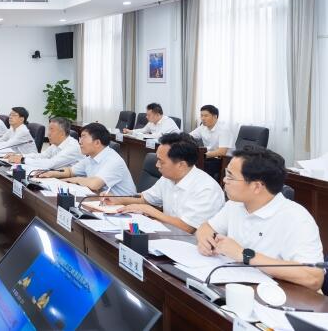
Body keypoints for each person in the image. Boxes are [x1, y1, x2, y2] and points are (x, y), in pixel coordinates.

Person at [195, 147, 324, 291]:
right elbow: (206, 227)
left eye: (230, 176)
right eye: (226, 174)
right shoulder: (235, 204)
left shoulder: (297, 218)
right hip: (235, 285)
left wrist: (244, 255)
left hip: (277, 296)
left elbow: (314, 277)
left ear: (256, 186)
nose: (224, 180)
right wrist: (205, 240)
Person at [102, 133, 224, 233]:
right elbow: (146, 199)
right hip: (168, 236)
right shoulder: (168, 178)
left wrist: (149, 210)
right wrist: (117, 199)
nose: (157, 165)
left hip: (193, 247)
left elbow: (187, 227)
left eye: (161, 161)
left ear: (181, 165)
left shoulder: (206, 189)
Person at [38, 123, 136, 196]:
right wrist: (50, 173)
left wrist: (70, 180)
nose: (80, 142)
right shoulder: (90, 158)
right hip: (101, 200)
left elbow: (94, 184)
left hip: (124, 206)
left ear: (97, 143)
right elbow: (70, 171)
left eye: (83, 137)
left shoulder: (113, 160)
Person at [7, 117, 82, 173]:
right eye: (49, 129)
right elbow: (42, 155)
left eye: (52, 130)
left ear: (62, 133)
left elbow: (50, 164)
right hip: (55, 175)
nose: (48, 134)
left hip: (73, 183)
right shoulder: (56, 143)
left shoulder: (72, 147)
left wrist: (23, 160)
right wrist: (20, 156)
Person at [189, 104, 233, 179]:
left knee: (199, 165)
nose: (203, 118)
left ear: (215, 117)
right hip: (209, 156)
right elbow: (188, 136)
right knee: (189, 161)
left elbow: (222, 152)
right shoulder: (202, 127)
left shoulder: (224, 130)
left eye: (206, 116)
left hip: (224, 159)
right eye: (201, 116)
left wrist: (202, 156)